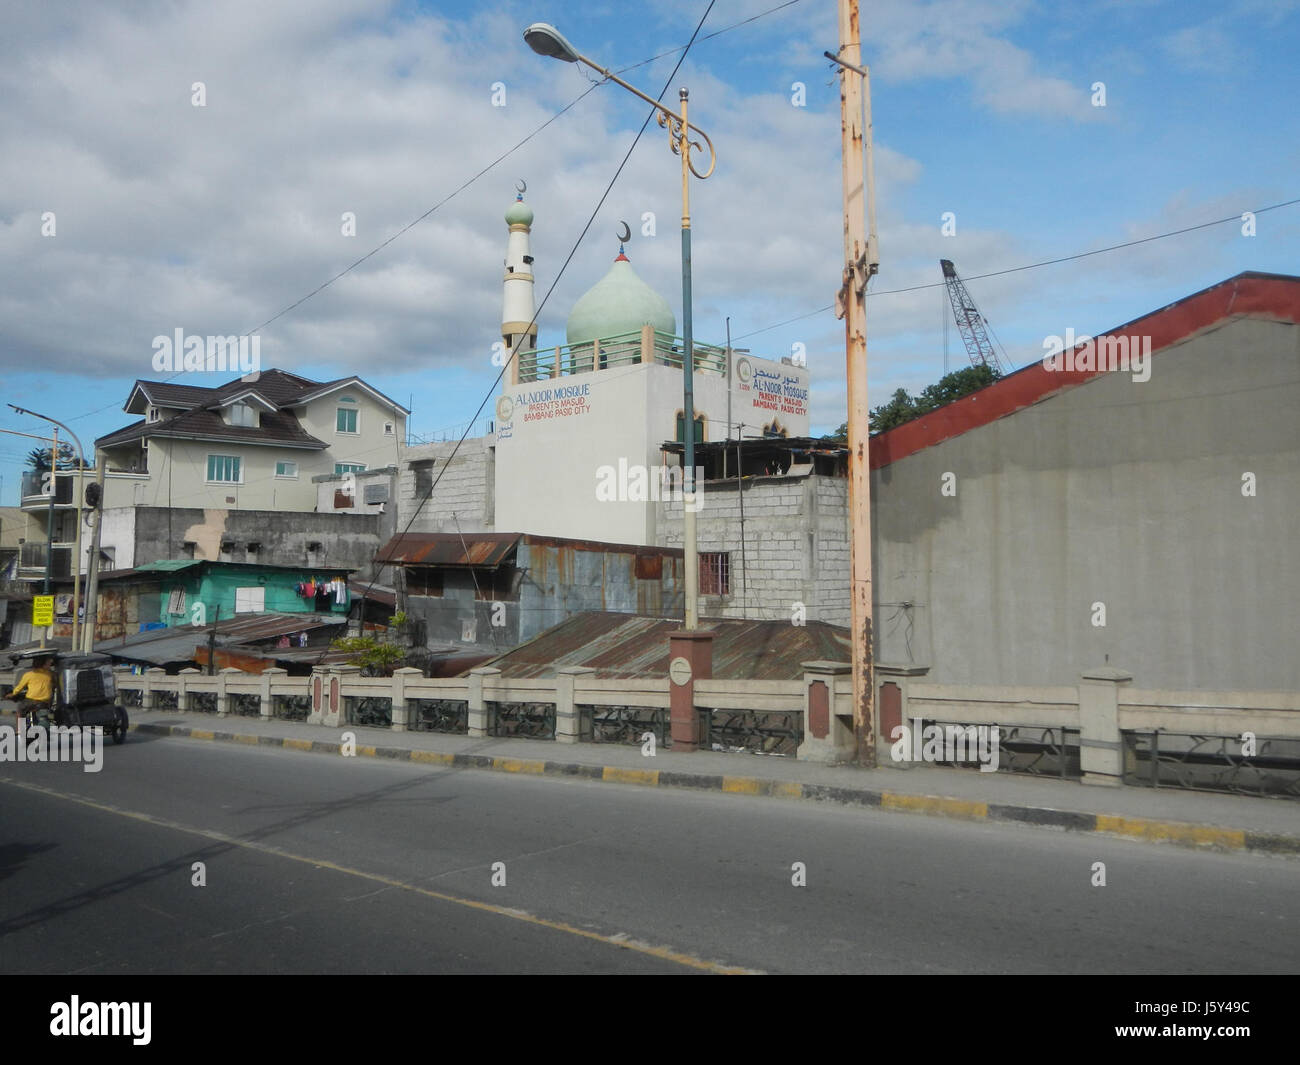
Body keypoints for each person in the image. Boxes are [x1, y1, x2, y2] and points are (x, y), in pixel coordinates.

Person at [12, 656, 56, 729]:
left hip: (31, 701)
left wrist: (13, 694)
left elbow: (19, 688)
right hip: (45, 702)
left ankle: (19, 730)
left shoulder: (29, 674)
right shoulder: (51, 674)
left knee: (19, 709)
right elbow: (55, 684)